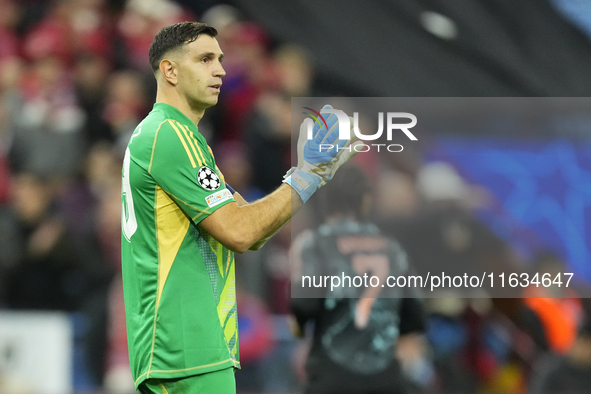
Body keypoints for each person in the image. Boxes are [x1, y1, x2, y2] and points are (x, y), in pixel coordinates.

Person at [121, 22, 359, 393]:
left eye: (219, 59)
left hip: (187, 349)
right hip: (185, 348)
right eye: (204, 59)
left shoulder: (177, 138)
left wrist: (310, 175)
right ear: (169, 70)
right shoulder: (170, 136)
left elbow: (252, 229)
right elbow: (241, 231)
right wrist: (308, 175)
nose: (220, 70)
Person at [291, 165, 426, 394]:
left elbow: (304, 305)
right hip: (386, 379)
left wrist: (300, 325)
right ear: (366, 200)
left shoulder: (317, 243)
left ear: (325, 200)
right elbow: (415, 317)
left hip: (331, 378)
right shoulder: (392, 249)